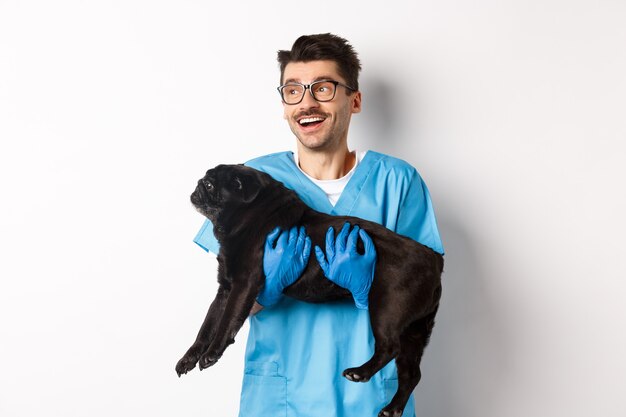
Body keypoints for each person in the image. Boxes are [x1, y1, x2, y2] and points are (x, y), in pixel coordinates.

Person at [193, 33, 444, 417]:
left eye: (323, 88)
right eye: (293, 91)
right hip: (281, 399)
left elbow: (424, 286)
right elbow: (230, 292)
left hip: (371, 399)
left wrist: (368, 291)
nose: (306, 102)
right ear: (283, 105)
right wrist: (267, 287)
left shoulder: (397, 181)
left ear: (354, 100)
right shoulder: (252, 180)